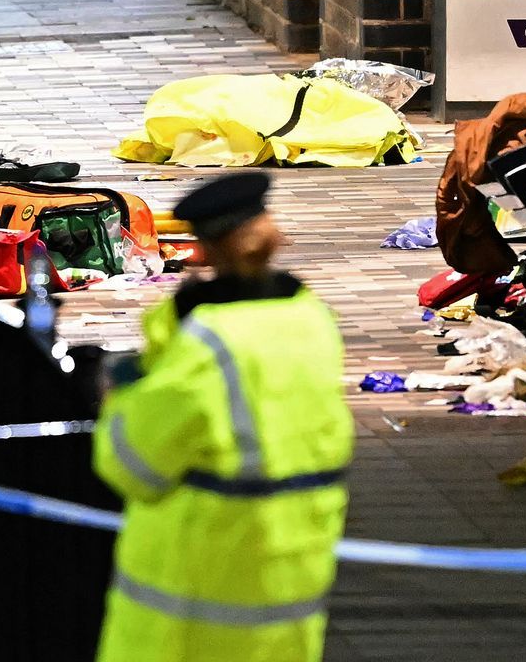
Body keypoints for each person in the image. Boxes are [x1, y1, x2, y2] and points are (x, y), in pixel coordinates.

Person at [91, 172, 354, 662]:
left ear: (204, 250)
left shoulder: (209, 344)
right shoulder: (312, 319)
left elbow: (132, 465)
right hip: (290, 589)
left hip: (192, 605)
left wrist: (123, 394)